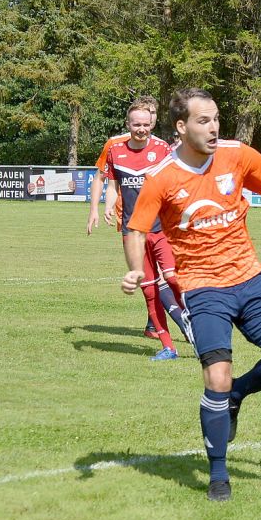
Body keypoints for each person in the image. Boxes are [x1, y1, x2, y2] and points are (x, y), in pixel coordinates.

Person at [121, 88, 261, 502]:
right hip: (203, 289)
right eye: (203, 120)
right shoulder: (162, 178)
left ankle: (239, 394)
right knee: (216, 377)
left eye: (216, 118)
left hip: (249, 278)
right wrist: (136, 269)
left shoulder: (238, 155)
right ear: (181, 127)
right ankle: (218, 475)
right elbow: (137, 228)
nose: (213, 127)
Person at [104, 101, 188, 360]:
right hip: (133, 233)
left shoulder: (162, 149)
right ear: (128, 125)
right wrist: (108, 206)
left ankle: (201, 325)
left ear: (151, 123)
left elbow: (175, 183)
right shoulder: (115, 151)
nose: (141, 129)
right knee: (150, 290)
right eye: (136, 124)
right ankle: (168, 347)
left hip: (162, 228)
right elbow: (112, 185)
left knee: (174, 279)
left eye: (145, 124)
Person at [87, 95, 167, 340]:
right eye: (141, 118)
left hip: (158, 221)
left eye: (151, 116)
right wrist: (97, 209)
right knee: (147, 276)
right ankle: (156, 324)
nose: (147, 121)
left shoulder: (161, 146)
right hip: (129, 219)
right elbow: (102, 178)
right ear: (129, 121)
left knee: (167, 275)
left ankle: (161, 324)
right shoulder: (115, 145)